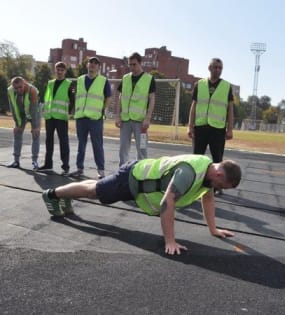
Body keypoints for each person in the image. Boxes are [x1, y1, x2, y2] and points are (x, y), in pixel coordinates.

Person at [41, 154, 242, 255]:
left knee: (95, 188)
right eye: (221, 185)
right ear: (218, 174)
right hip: (132, 179)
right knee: (94, 192)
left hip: (137, 175)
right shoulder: (189, 172)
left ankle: (63, 194)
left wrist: (214, 229)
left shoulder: (207, 176)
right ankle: (52, 194)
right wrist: (169, 241)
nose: (219, 188)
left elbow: (208, 197)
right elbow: (167, 202)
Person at [187, 58, 234, 194]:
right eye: (215, 67)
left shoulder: (226, 86)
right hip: (200, 127)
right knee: (196, 159)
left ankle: (217, 186)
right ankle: (195, 184)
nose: (217, 70)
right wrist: (190, 126)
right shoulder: (199, 84)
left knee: (218, 159)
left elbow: (230, 108)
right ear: (209, 68)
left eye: (220, 68)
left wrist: (230, 128)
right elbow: (194, 106)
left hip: (218, 129)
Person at [69, 56, 112, 179]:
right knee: (80, 144)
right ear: (87, 65)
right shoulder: (80, 79)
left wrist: (102, 110)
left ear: (99, 67)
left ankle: (101, 170)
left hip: (95, 118)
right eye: (90, 62)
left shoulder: (103, 80)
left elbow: (108, 97)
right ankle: (79, 168)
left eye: (95, 63)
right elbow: (76, 96)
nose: (92, 64)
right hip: (81, 117)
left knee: (97, 144)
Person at [115, 52, 156, 166]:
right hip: (125, 120)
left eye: (134, 64)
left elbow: (152, 99)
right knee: (123, 149)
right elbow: (120, 96)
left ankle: (142, 173)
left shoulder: (149, 79)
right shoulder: (125, 78)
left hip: (141, 122)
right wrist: (117, 115)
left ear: (140, 63)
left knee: (142, 149)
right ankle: (122, 171)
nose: (132, 67)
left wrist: (148, 118)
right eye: (130, 65)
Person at [38, 62, 75, 175]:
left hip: (61, 117)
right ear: (55, 70)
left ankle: (65, 167)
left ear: (65, 71)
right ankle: (48, 164)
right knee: (48, 141)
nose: (59, 72)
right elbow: (47, 98)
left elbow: (72, 100)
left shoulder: (69, 84)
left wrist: (69, 113)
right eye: (58, 69)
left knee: (63, 142)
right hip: (49, 116)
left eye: (62, 70)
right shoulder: (50, 83)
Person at [6, 76, 40, 170]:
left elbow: (33, 110)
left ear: (24, 84)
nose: (18, 90)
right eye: (15, 88)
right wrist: (18, 124)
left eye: (20, 87)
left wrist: (35, 126)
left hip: (33, 110)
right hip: (21, 111)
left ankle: (35, 161)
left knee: (36, 134)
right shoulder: (10, 91)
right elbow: (13, 108)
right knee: (17, 132)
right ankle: (16, 160)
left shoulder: (32, 90)